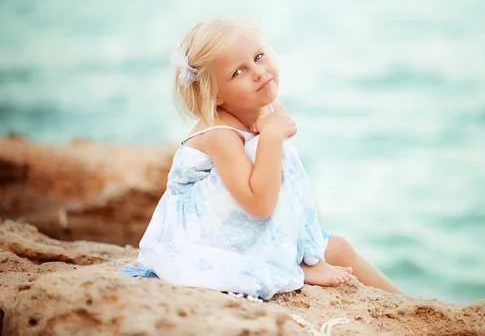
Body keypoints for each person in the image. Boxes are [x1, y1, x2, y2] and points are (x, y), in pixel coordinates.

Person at [117, 17, 401, 299]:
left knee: (339, 248)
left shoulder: (263, 108)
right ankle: (300, 264)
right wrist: (272, 137)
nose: (258, 72)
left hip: (240, 225)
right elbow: (259, 205)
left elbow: (285, 167)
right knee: (269, 146)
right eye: (238, 72)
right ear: (215, 95)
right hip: (202, 237)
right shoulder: (219, 134)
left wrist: (274, 132)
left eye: (259, 56)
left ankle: (409, 303)